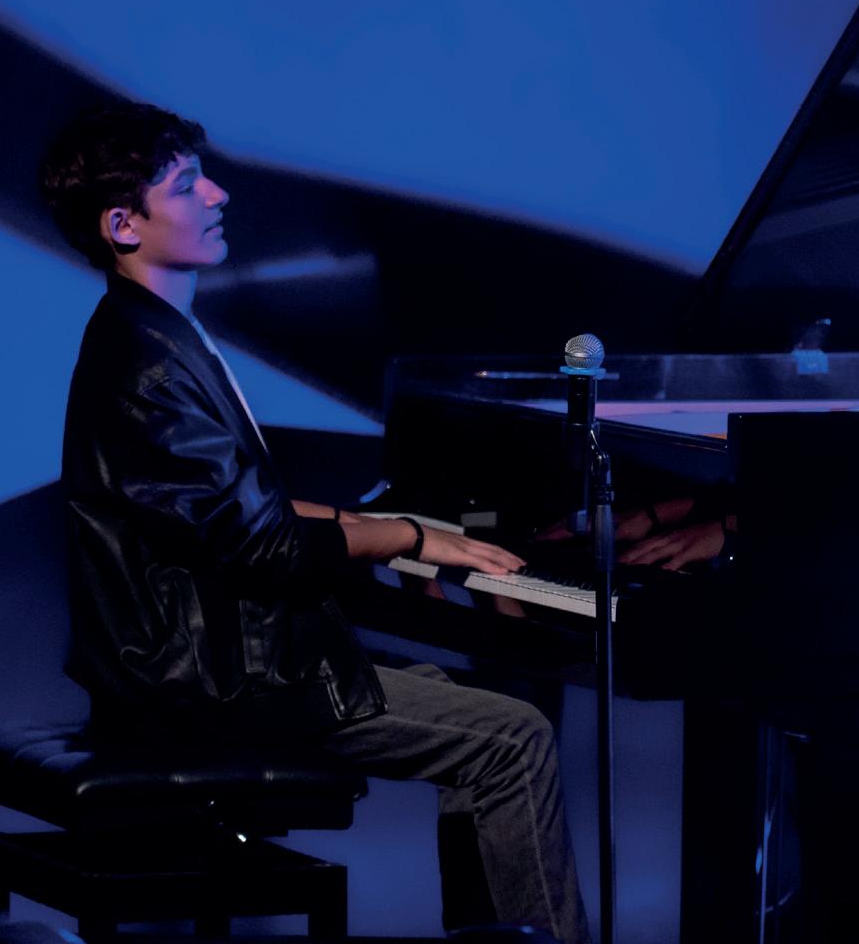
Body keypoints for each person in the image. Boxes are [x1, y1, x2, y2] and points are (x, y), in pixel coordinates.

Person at [45, 102, 591, 944]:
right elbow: (264, 544)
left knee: (470, 707)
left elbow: (238, 502)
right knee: (513, 737)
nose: (219, 194)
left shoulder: (150, 334)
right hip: (208, 684)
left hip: (197, 662)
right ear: (123, 225)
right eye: (187, 186)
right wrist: (408, 538)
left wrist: (386, 520)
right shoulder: (148, 362)